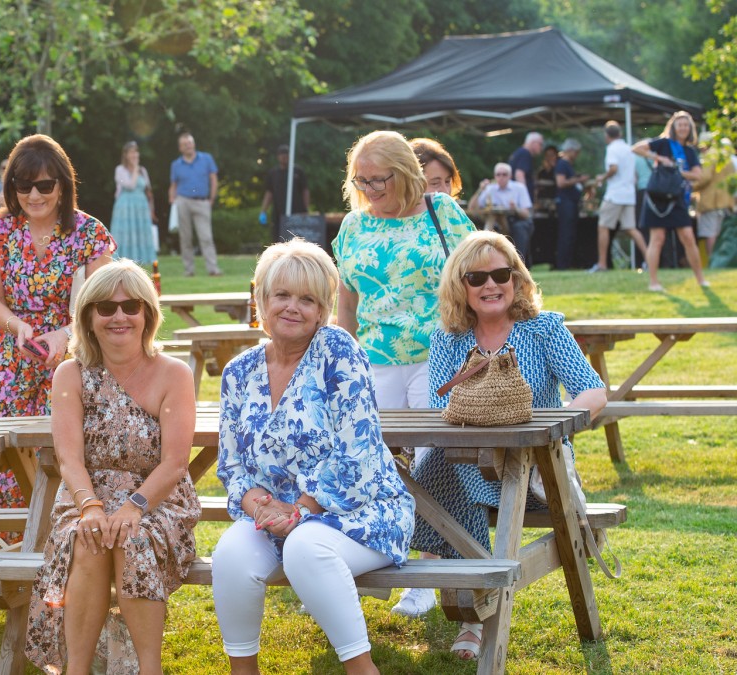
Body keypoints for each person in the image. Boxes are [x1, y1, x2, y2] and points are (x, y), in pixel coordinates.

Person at [213, 239, 414, 675]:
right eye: (281, 295)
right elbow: (231, 464)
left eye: (307, 299)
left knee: (305, 547)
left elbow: (355, 452)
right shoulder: (239, 371)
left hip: (361, 511)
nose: (292, 307)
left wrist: (302, 509)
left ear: (323, 310)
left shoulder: (339, 352)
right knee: (229, 552)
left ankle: (362, 669)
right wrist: (259, 506)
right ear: (261, 301)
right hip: (274, 520)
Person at [409, 230, 606, 660]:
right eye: (476, 277)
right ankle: (473, 607)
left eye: (501, 273)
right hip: (467, 464)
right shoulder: (448, 338)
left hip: (536, 471)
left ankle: (472, 615)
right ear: (460, 286)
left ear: (516, 279)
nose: (490, 285)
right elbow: (442, 409)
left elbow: (593, 393)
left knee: (433, 480)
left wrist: (553, 428)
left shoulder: (543, 329)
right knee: (445, 464)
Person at [24, 260, 199, 674]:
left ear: (147, 314)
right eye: (105, 308)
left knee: (132, 540)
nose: (119, 315)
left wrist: (135, 506)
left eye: (131, 306)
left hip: (158, 499)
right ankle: (77, 670)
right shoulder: (70, 374)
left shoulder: (174, 373)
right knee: (89, 538)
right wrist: (90, 507)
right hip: (87, 495)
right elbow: (70, 459)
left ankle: (149, 668)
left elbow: (175, 462)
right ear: (88, 317)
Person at [332, 129, 474, 620]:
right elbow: (345, 302)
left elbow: (477, 275)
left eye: (379, 180)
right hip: (374, 358)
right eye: (361, 181)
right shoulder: (352, 226)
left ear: (406, 173)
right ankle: (366, 568)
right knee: (371, 464)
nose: (369, 190)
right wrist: (341, 360)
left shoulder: (443, 213)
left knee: (435, 461)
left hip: (439, 351)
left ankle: (426, 576)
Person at [0, 133, 114, 512]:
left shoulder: (89, 232)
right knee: (6, 456)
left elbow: (101, 301)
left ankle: (71, 539)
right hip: (12, 358)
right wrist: (17, 327)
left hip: (75, 355)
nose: (33, 195)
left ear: (62, 185)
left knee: (70, 450)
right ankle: (8, 552)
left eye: (44, 185)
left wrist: (65, 333)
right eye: (23, 185)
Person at [633, 111, 709, 291]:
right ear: (673, 127)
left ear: (690, 128)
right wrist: (659, 158)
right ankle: (654, 282)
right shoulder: (663, 144)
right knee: (657, 238)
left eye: (686, 125)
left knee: (688, 238)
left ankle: (701, 279)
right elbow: (636, 148)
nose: (682, 128)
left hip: (677, 198)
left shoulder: (690, 152)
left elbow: (697, 175)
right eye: (679, 124)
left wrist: (676, 171)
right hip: (658, 198)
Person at [591, 121, 649, 273]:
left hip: (615, 194)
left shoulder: (612, 148)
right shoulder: (629, 149)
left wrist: (601, 178)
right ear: (620, 133)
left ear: (606, 135)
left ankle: (602, 264)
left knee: (603, 227)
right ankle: (650, 260)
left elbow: (613, 168)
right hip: (629, 194)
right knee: (631, 229)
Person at [168, 131, 221, 277]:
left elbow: (213, 179)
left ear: (194, 144)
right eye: (185, 144)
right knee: (185, 238)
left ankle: (213, 269)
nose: (188, 146)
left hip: (202, 201)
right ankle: (189, 270)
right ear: (180, 148)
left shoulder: (206, 159)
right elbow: (173, 184)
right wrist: (172, 199)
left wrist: (212, 199)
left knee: (206, 237)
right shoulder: (176, 164)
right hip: (183, 201)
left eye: (190, 143)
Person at [474, 162, 535, 264]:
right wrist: (480, 189)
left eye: (504, 174)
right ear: (494, 176)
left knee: (519, 229)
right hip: (497, 220)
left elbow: (527, 214)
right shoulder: (490, 189)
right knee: (490, 228)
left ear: (510, 176)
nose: (501, 177)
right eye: (498, 174)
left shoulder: (519, 188)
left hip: (517, 219)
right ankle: (484, 260)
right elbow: (473, 207)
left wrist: (516, 208)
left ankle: (519, 263)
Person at [111, 141, 158, 264]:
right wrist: (136, 169)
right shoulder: (120, 170)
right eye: (131, 152)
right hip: (125, 206)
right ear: (126, 155)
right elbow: (130, 185)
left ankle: (141, 260)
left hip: (141, 206)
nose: (134, 154)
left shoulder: (143, 170)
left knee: (140, 233)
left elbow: (148, 191)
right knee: (126, 233)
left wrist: (151, 209)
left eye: (136, 151)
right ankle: (123, 260)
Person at [692, 133, 735, 260]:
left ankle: (713, 261)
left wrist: (690, 187)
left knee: (711, 233)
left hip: (711, 202)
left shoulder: (710, 156)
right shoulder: (726, 157)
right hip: (727, 201)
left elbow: (704, 177)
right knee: (722, 234)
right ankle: (723, 261)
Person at [259, 144, 311, 242]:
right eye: (282, 155)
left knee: (296, 239)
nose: (284, 157)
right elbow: (269, 193)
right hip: (278, 212)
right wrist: (263, 211)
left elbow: (305, 190)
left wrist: (305, 209)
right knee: (278, 239)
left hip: (297, 211)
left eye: (286, 155)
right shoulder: (273, 173)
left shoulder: (298, 171)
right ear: (278, 157)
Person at [553, 138, 591, 270]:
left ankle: (568, 263)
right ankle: (562, 265)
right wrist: (579, 180)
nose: (577, 155)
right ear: (570, 151)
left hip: (572, 202)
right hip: (565, 203)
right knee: (566, 234)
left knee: (571, 234)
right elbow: (561, 182)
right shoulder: (562, 164)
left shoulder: (568, 165)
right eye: (576, 152)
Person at [509, 131, 544, 202]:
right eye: (540, 144)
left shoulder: (518, 152)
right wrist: (524, 198)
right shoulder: (525, 154)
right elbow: (519, 174)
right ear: (533, 142)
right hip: (520, 201)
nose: (541, 148)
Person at [534, 144, 560, 213]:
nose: (549, 158)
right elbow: (536, 187)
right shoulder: (541, 172)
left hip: (555, 203)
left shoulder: (559, 171)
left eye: (552, 155)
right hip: (541, 203)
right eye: (547, 155)